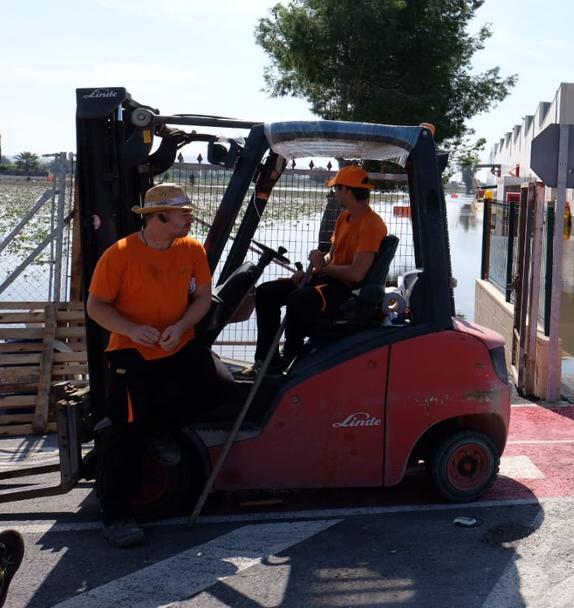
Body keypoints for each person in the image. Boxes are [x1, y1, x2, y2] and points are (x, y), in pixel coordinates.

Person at [86, 183, 236, 548]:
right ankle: (117, 516)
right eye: (184, 213)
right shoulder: (119, 255)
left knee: (220, 387)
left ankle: (160, 428)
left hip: (178, 343)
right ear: (160, 216)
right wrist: (132, 330)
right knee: (125, 429)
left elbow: (202, 298)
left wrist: (181, 327)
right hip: (131, 350)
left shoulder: (192, 249)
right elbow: (96, 307)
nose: (190, 218)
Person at [253, 165, 388, 370]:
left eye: (336, 188)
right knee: (266, 292)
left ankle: (290, 356)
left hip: (345, 289)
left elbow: (356, 274)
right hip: (327, 279)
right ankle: (266, 361)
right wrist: (313, 270)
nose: (334, 193)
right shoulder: (344, 218)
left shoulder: (371, 224)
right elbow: (331, 256)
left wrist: (323, 268)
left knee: (299, 299)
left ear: (346, 190)